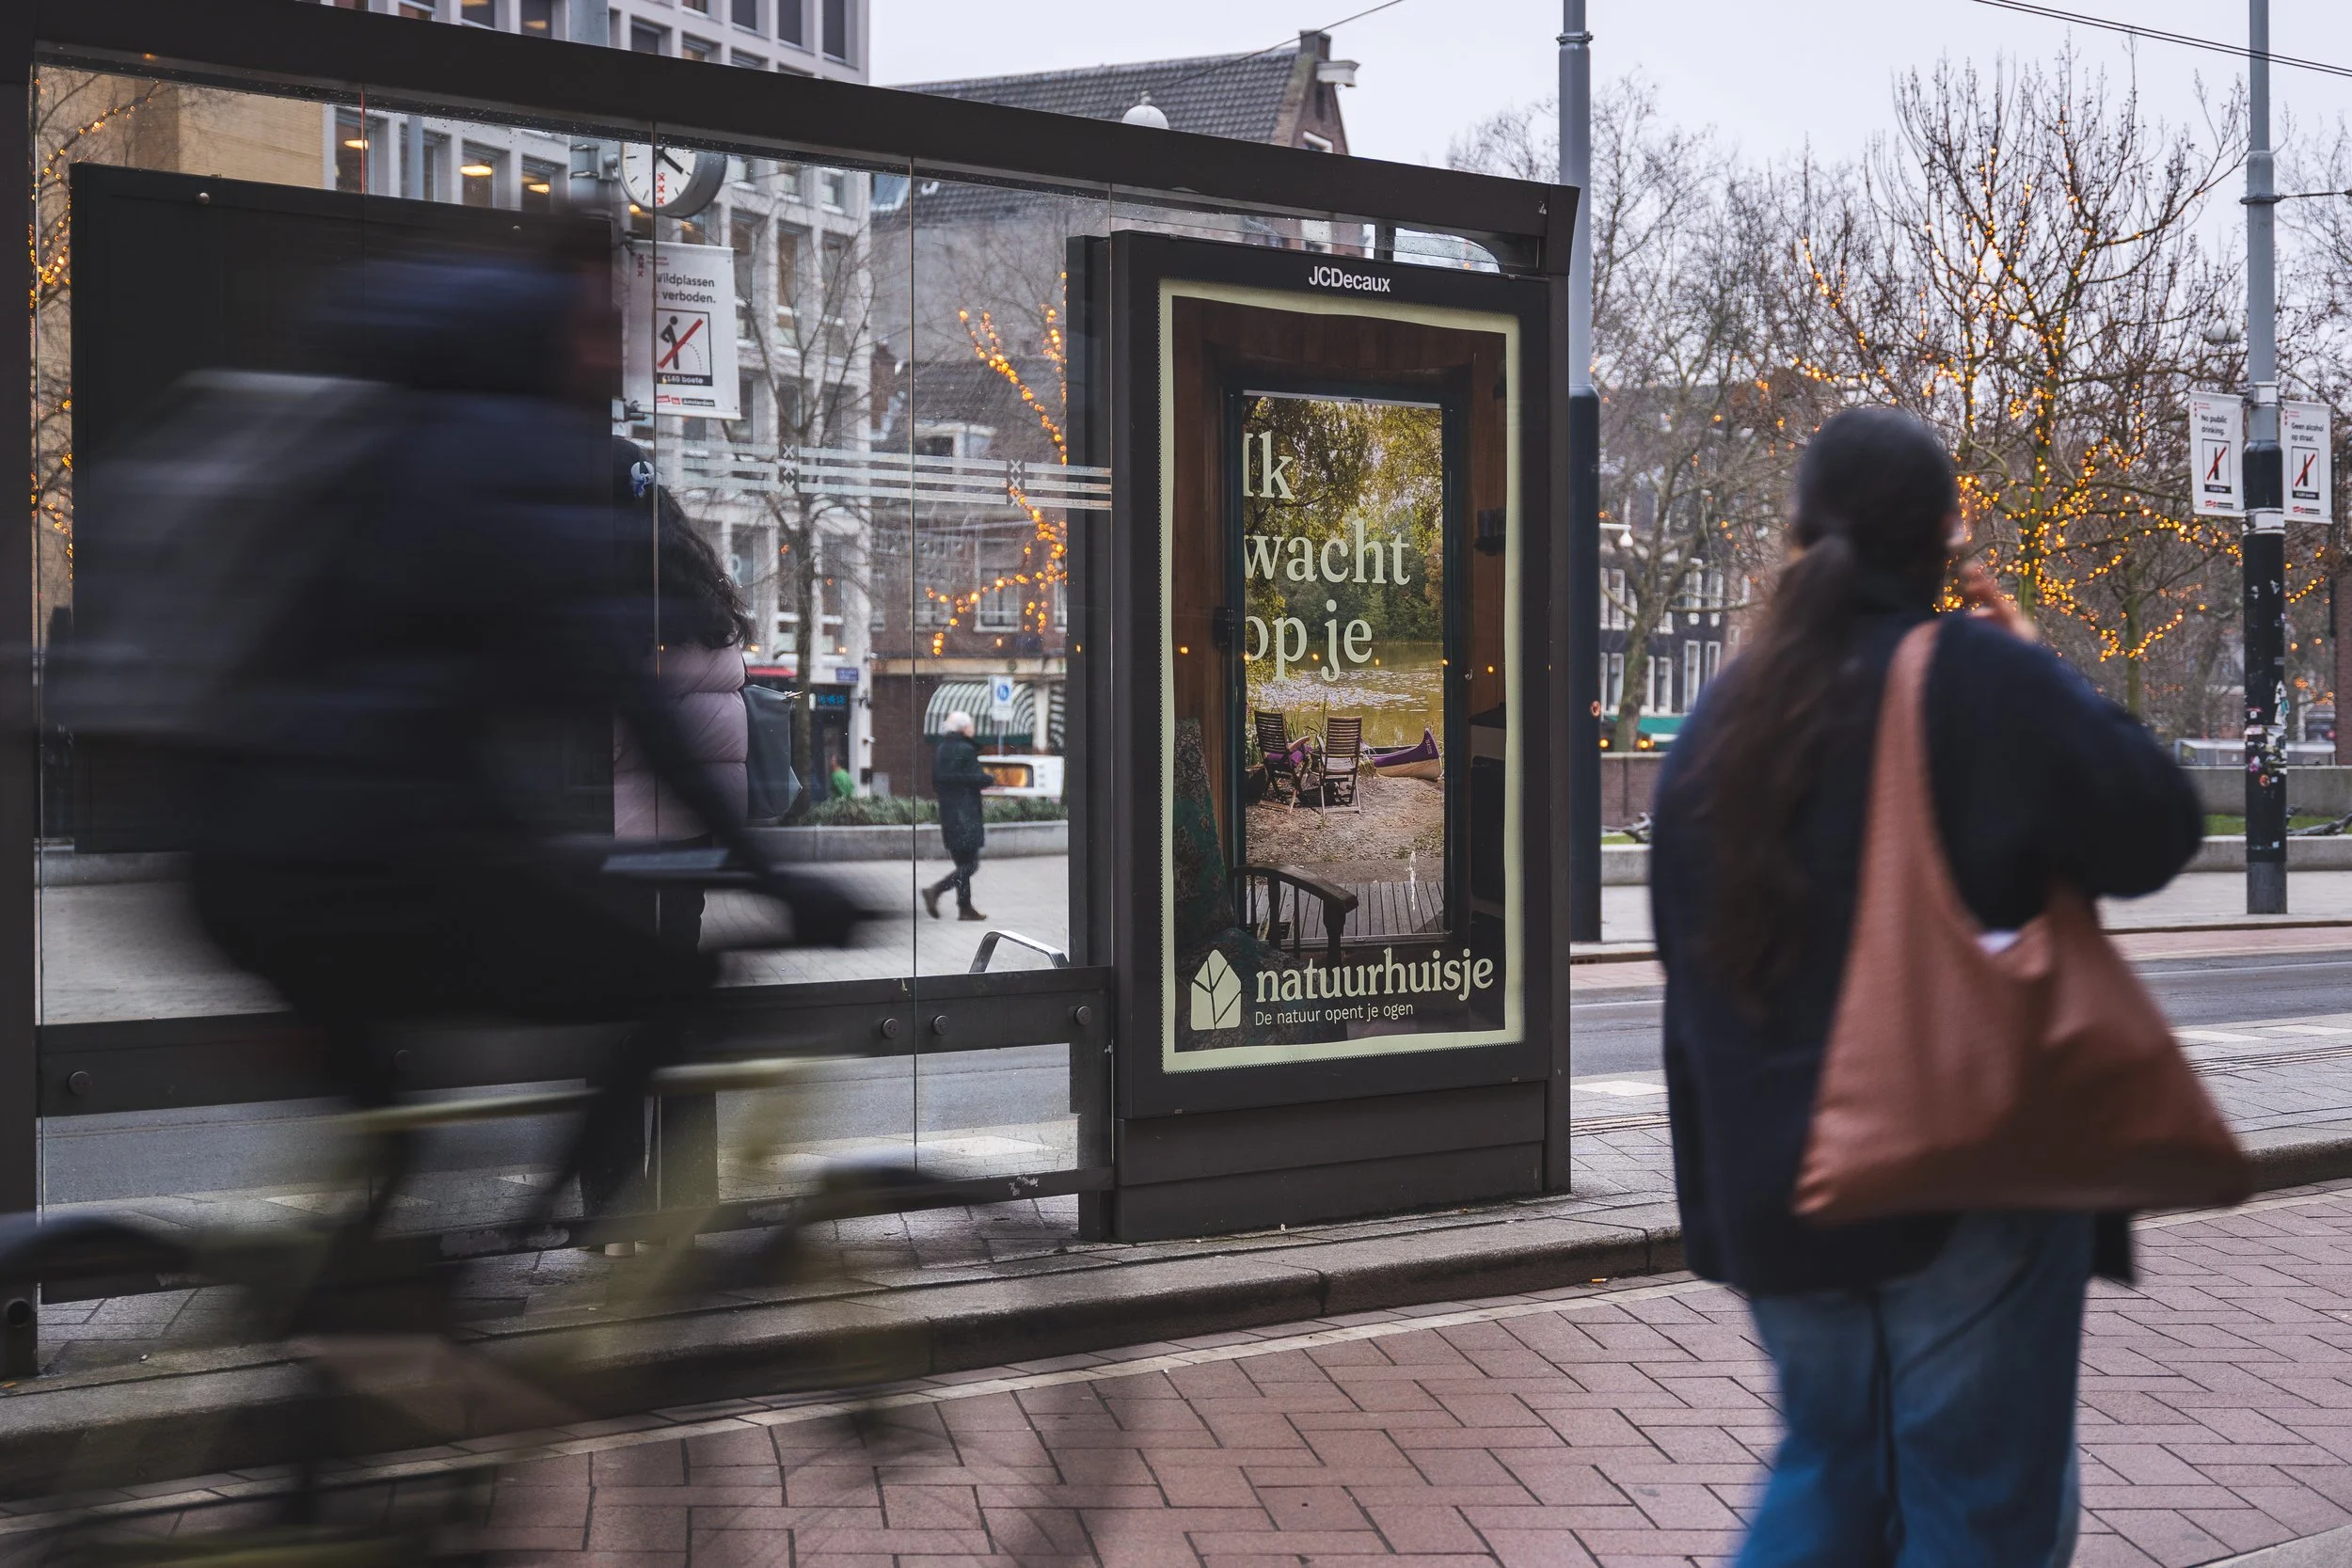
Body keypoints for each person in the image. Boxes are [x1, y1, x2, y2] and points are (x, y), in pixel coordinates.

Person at [1648, 407, 2202, 1566]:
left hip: (1776, 1192)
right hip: (1956, 1172)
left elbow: (1685, 983)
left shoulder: (1716, 723)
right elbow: (2156, 823)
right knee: (1975, 1505)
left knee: (1827, 1474)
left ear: (1795, 540)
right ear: (1943, 543)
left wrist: (1725, 1205)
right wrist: (2042, 666)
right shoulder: (1974, 679)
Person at [924, 709, 989, 921]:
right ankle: (935, 890)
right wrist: (988, 779)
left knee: (962, 862)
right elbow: (973, 778)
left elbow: (936, 780)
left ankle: (965, 907)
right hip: (967, 812)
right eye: (971, 725)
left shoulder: (942, 749)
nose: (974, 729)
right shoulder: (966, 750)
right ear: (964, 728)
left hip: (948, 812)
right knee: (971, 864)